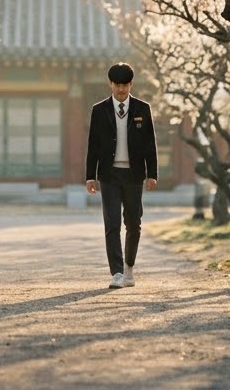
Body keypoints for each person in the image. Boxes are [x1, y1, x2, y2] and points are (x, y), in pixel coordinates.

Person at [85, 61, 158, 288]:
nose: (121, 89)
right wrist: (90, 176)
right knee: (112, 223)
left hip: (134, 175)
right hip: (109, 175)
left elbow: (150, 143)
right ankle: (116, 272)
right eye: (117, 85)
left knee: (133, 223)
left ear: (131, 84)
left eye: (125, 85)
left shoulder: (142, 109)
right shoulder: (99, 110)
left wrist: (152, 173)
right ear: (110, 84)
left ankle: (129, 268)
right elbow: (93, 145)